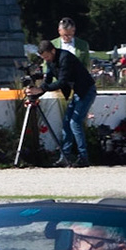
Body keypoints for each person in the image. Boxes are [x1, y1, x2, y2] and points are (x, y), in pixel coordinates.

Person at [37, 35, 97, 166]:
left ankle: (83, 157)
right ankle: (65, 155)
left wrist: (41, 89)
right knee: (66, 122)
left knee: (75, 122)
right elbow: (48, 80)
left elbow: (62, 81)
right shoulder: (51, 61)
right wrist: (38, 90)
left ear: (52, 51)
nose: (46, 60)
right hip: (78, 92)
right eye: (43, 58)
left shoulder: (65, 58)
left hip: (86, 91)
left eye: (46, 56)